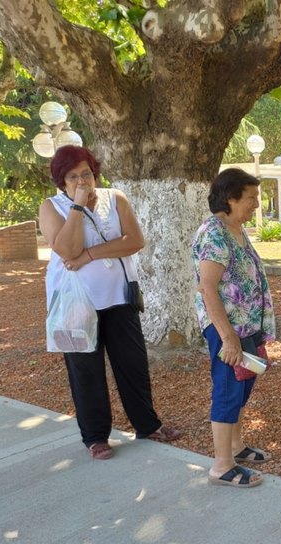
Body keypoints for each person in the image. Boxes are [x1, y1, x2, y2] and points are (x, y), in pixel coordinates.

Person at [38, 145, 181, 460]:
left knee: (133, 364)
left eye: (86, 173)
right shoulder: (51, 207)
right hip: (77, 304)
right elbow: (66, 249)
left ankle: (147, 424)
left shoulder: (115, 198)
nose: (81, 181)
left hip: (118, 298)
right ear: (61, 181)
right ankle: (95, 437)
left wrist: (89, 254)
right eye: (72, 176)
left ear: (95, 172)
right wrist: (77, 207)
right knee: (85, 371)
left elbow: (135, 240)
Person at [192, 168, 276, 488]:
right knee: (228, 390)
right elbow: (208, 288)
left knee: (242, 386)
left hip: (246, 326)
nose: (257, 203)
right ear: (230, 198)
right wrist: (228, 338)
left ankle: (237, 447)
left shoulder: (235, 228)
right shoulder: (214, 232)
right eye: (251, 198)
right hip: (228, 329)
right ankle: (222, 465)